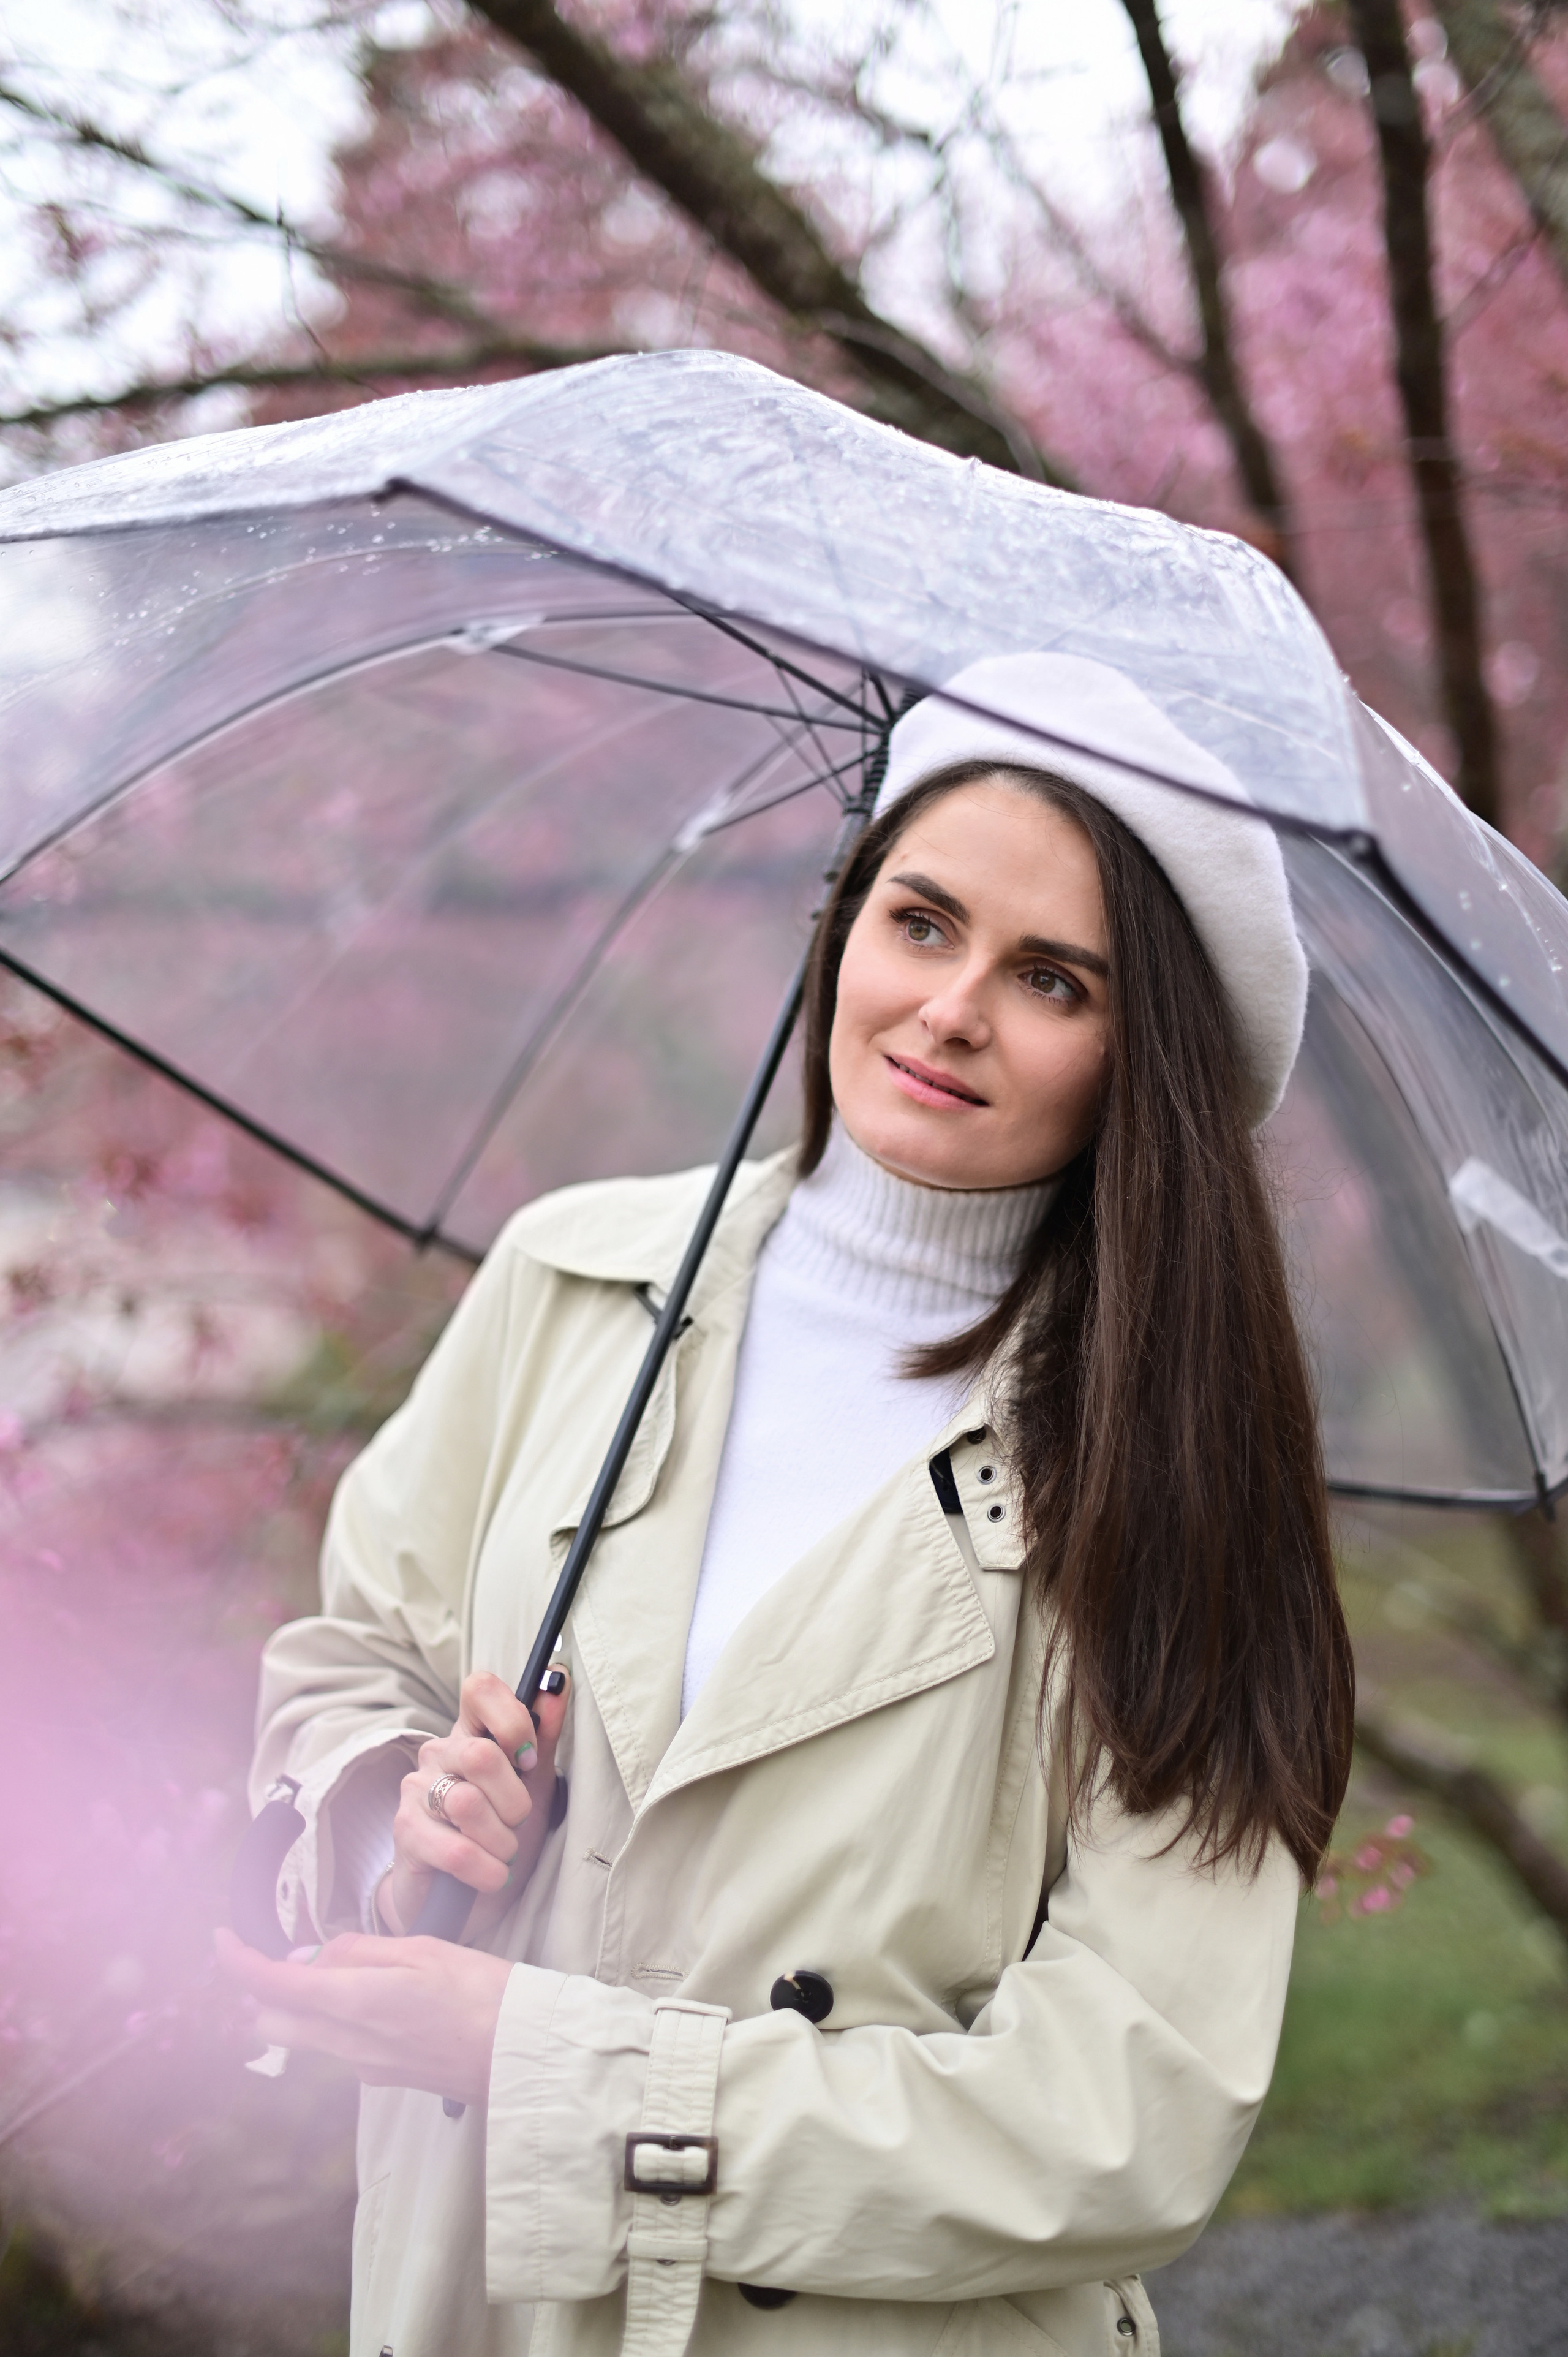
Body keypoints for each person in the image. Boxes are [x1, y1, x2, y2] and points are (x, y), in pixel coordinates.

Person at [219, 650, 1355, 2357]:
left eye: (1051, 978)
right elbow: (351, 1656)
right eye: (922, 921)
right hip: (477, 2305)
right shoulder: (573, 1282)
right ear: (841, 929)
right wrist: (400, 1823)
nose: (951, 1009)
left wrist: (561, 2073)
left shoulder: (1179, 1474)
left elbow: (1127, 2118)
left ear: (1144, 1058)